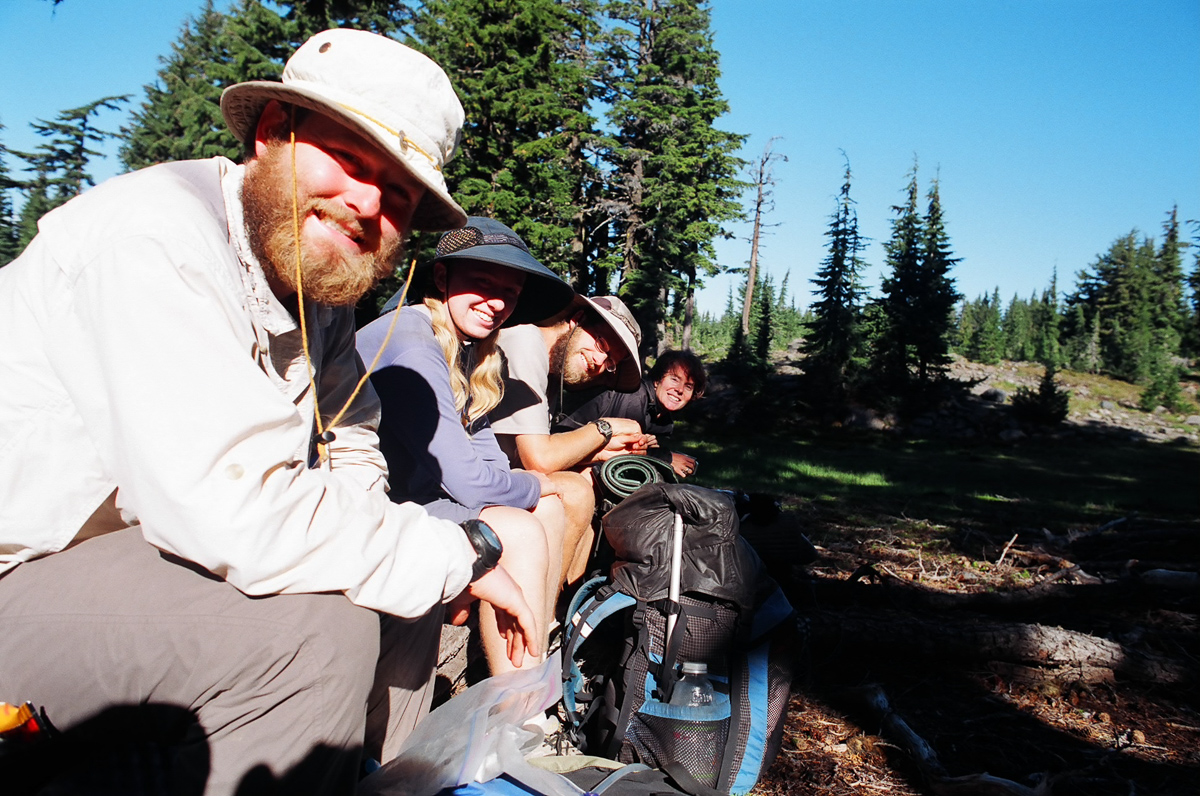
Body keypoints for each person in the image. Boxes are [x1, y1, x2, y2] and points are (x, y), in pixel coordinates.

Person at [0, 29, 537, 795]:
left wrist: (417, 559)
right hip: (25, 572)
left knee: (395, 585)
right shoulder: (156, 238)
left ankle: (386, 779)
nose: (367, 203)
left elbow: (352, 437)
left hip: (132, 564)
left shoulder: (316, 290)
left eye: (398, 194)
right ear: (272, 133)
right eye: (350, 159)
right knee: (315, 630)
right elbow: (231, 506)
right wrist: (462, 554)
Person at [357, 216, 576, 675]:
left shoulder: (465, 349)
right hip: (368, 505)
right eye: (483, 283)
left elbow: (485, 453)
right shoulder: (413, 342)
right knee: (520, 528)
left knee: (549, 509)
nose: (497, 303)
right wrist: (535, 484)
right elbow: (469, 482)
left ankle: (531, 657)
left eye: (510, 293)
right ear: (442, 277)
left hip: (413, 497)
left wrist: (532, 488)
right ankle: (519, 696)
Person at [489, 295, 649, 583]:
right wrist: (604, 428)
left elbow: (523, 450)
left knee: (587, 486)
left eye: (610, 362)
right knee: (575, 492)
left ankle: (565, 603)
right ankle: (542, 604)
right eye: (601, 344)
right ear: (577, 320)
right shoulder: (527, 342)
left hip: (498, 474)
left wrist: (599, 453)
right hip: (468, 480)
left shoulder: (551, 369)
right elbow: (539, 459)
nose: (599, 362)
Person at [552, 349, 707, 479]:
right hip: (560, 453)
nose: (679, 390)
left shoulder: (659, 416)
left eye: (688, 386)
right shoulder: (635, 397)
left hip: (584, 458)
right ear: (657, 380)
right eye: (674, 379)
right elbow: (623, 451)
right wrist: (667, 458)